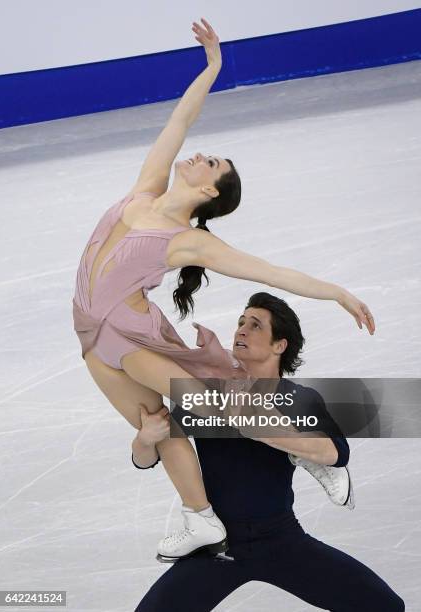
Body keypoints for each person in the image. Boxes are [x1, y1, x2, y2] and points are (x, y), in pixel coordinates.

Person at [72, 18, 375, 559]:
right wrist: (212, 67)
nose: (199, 156)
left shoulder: (188, 242)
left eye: (210, 162)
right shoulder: (147, 188)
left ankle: (318, 455)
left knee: (215, 408)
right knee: (158, 426)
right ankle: (201, 518)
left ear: (209, 189)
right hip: (90, 334)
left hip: (130, 335)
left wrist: (334, 291)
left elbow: (271, 273)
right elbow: (179, 120)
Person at [133, 293, 404, 612]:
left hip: (281, 540)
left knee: (384, 605)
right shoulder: (207, 394)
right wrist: (146, 439)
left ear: (280, 345)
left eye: (256, 325)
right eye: (241, 322)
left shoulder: (298, 399)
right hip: (220, 548)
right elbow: (146, 459)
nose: (241, 330)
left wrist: (264, 428)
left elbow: (336, 453)